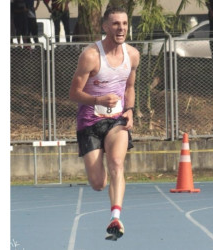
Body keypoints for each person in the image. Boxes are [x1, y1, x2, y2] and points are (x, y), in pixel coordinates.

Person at [69, 7, 140, 241]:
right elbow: (74, 93)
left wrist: (129, 110)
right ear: (105, 27)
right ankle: (106, 181)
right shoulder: (91, 55)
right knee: (98, 183)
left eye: (125, 24)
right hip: (90, 121)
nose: (121, 28)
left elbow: (129, 87)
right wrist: (98, 99)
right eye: (116, 24)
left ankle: (116, 217)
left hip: (116, 120)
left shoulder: (132, 55)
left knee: (117, 162)